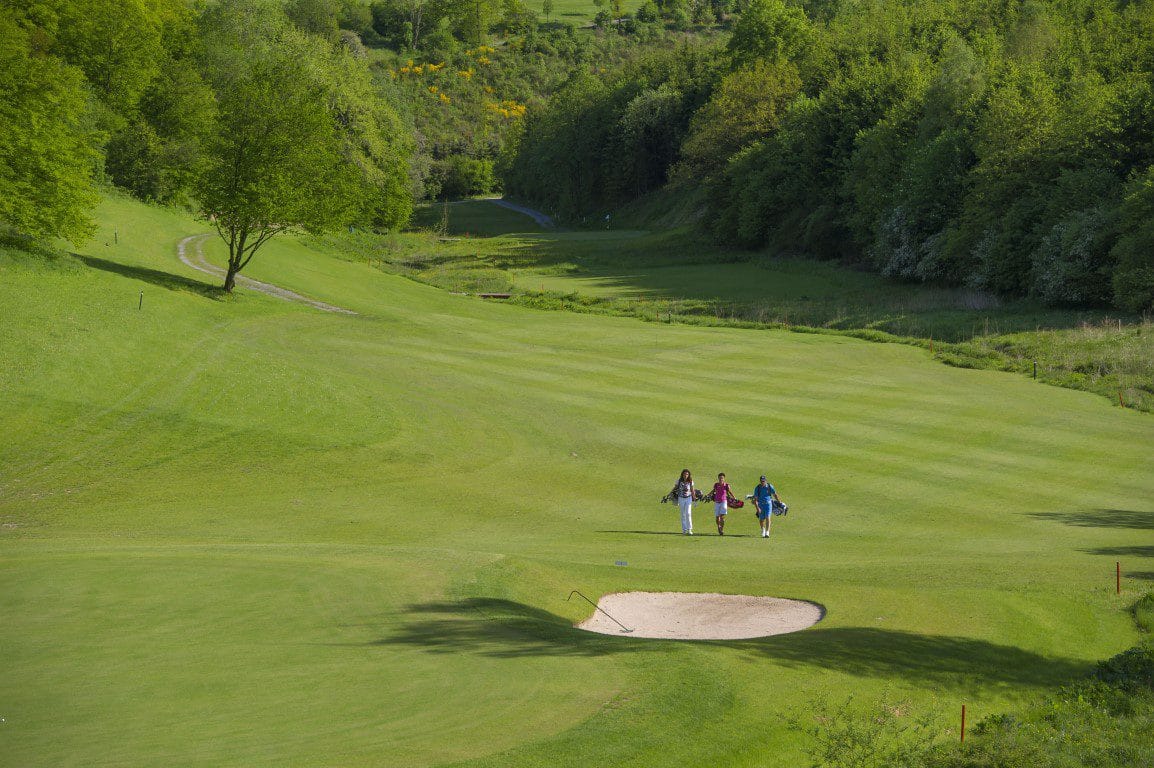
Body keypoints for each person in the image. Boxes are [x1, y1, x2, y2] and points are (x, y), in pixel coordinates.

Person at [669, 469, 696, 535]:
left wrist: (694, 497)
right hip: (681, 498)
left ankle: (689, 529)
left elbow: (692, 490)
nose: (685, 475)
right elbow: (675, 487)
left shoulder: (690, 481)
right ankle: (684, 529)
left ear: (689, 475)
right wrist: (670, 493)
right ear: (682, 474)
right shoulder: (679, 481)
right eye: (684, 474)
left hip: (688, 498)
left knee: (688, 513)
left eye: (687, 474)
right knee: (683, 514)